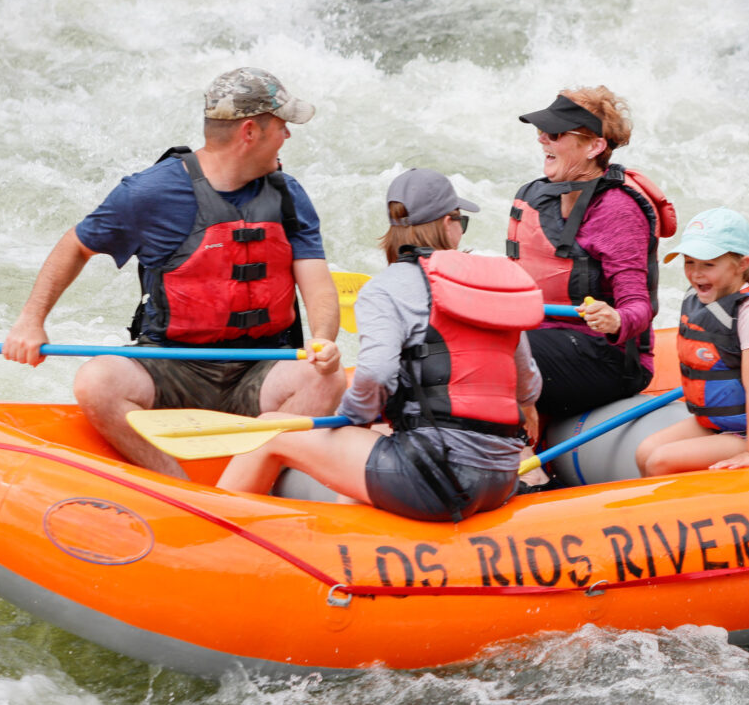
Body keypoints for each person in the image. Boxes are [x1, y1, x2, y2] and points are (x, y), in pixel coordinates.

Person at [2, 67, 346, 476]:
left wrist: (323, 340)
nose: (287, 136)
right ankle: (174, 482)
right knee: (96, 381)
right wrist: (30, 321)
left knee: (326, 380)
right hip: (173, 365)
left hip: (261, 366)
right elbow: (76, 245)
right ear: (250, 132)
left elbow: (319, 287)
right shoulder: (150, 193)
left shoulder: (288, 195)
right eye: (282, 127)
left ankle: (245, 479)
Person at [218, 169, 544, 522]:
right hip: (501, 476)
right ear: (447, 224)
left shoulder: (386, 288)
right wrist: (526, 406)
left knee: (271, 431)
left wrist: (351, 419)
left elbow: (375, 373)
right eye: (461, 220)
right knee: (379, 441)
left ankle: (208, 542)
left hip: (437, 480)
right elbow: (526, 380)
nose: (460, 229)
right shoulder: (492, 282)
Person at [507, 87, 676, 419]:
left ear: (594, 146)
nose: (542, 139)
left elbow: (638, 306)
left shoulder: (617, 211)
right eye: (541, 131)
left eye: (554, 133)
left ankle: (527, 464)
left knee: (499, 353)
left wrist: (615, 320)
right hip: (545, 340)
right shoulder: (541, 196)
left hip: (609, 358)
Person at [635, 208, 749, 476]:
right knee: (645, 451)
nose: (696, 273)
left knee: (660, 461)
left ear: (741, 264)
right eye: (689, 262)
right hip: (716, 422)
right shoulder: (701, 299)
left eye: (708, 264)